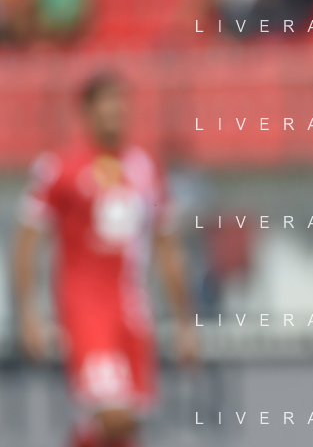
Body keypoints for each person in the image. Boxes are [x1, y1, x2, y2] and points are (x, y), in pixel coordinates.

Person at [12, 72, 197, 447]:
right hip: (86, 310)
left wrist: (184, 321)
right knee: (113, 416)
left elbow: (167, 245)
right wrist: (28, 312)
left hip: (134, 311)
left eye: (120, 103)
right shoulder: (60, 167)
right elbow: (28, 241)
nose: (115, 111)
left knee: (126, 428)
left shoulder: (146, 167)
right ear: (87, 111)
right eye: (106, 103)